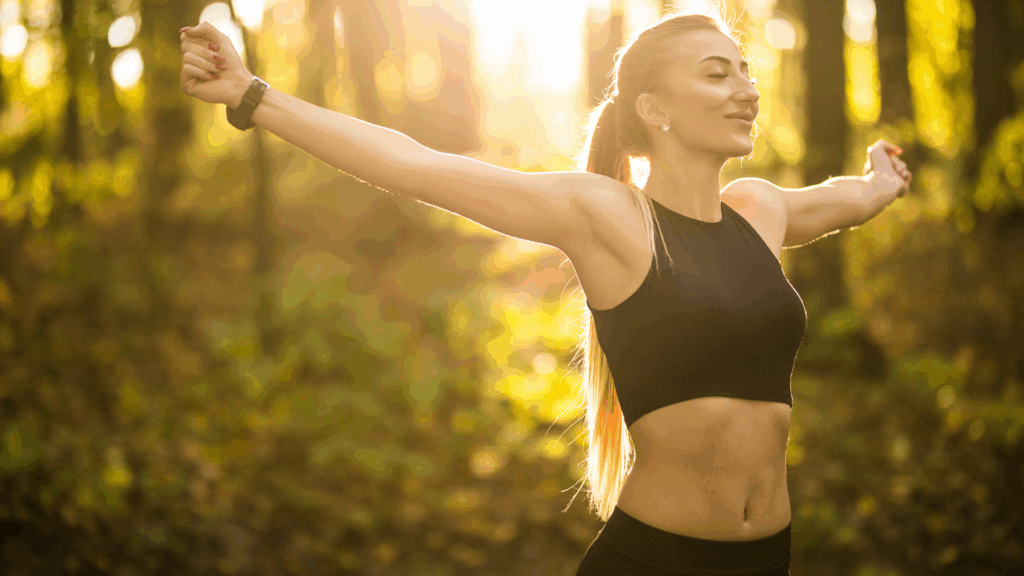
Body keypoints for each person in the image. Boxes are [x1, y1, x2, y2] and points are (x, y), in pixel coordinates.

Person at [178, 5, 911, 575]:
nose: (746, 89)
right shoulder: (607, 216)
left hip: (769, 560)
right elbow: (414, 164)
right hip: (656, 562)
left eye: (745, 72)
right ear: (653, 110)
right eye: (718, 74)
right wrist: (250, 95)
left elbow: (845, 199)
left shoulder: (759, 211)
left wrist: (882, 182)